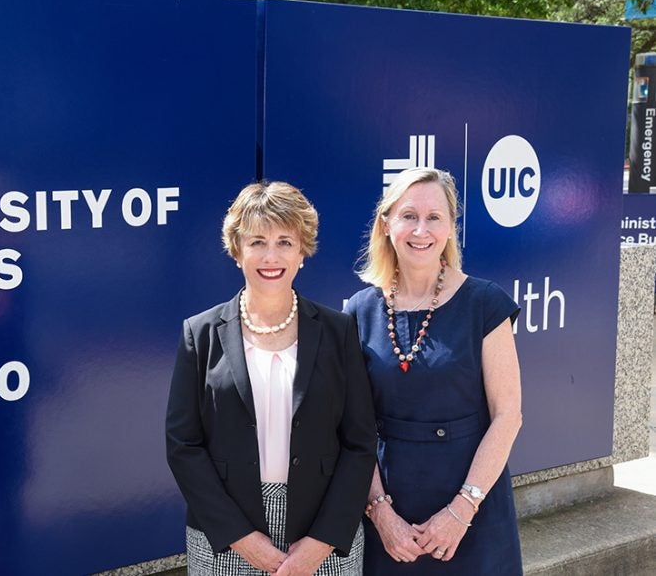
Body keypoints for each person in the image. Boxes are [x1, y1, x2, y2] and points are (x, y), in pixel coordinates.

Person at [166, 180, 377, 576]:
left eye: (284, 241)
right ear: (237, 250)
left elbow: (360, 443)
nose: (271, 256)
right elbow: (183, 445)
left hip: (323, 536)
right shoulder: (201, 333)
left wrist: (323, 540)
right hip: (226, 538)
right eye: (257, 242)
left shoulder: (338, 331)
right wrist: (242, 538)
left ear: (302, 251)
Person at [343, 168, 524, 575]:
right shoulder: (359, 311)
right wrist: (380, 513)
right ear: (386, 224)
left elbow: (508, 415)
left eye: (434, 217)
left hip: (473, 510)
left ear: (450, 228)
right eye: (408, 216)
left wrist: (461, 510)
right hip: (390, 517)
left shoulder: (485, 304)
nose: (420, 230)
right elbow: (352, 427)